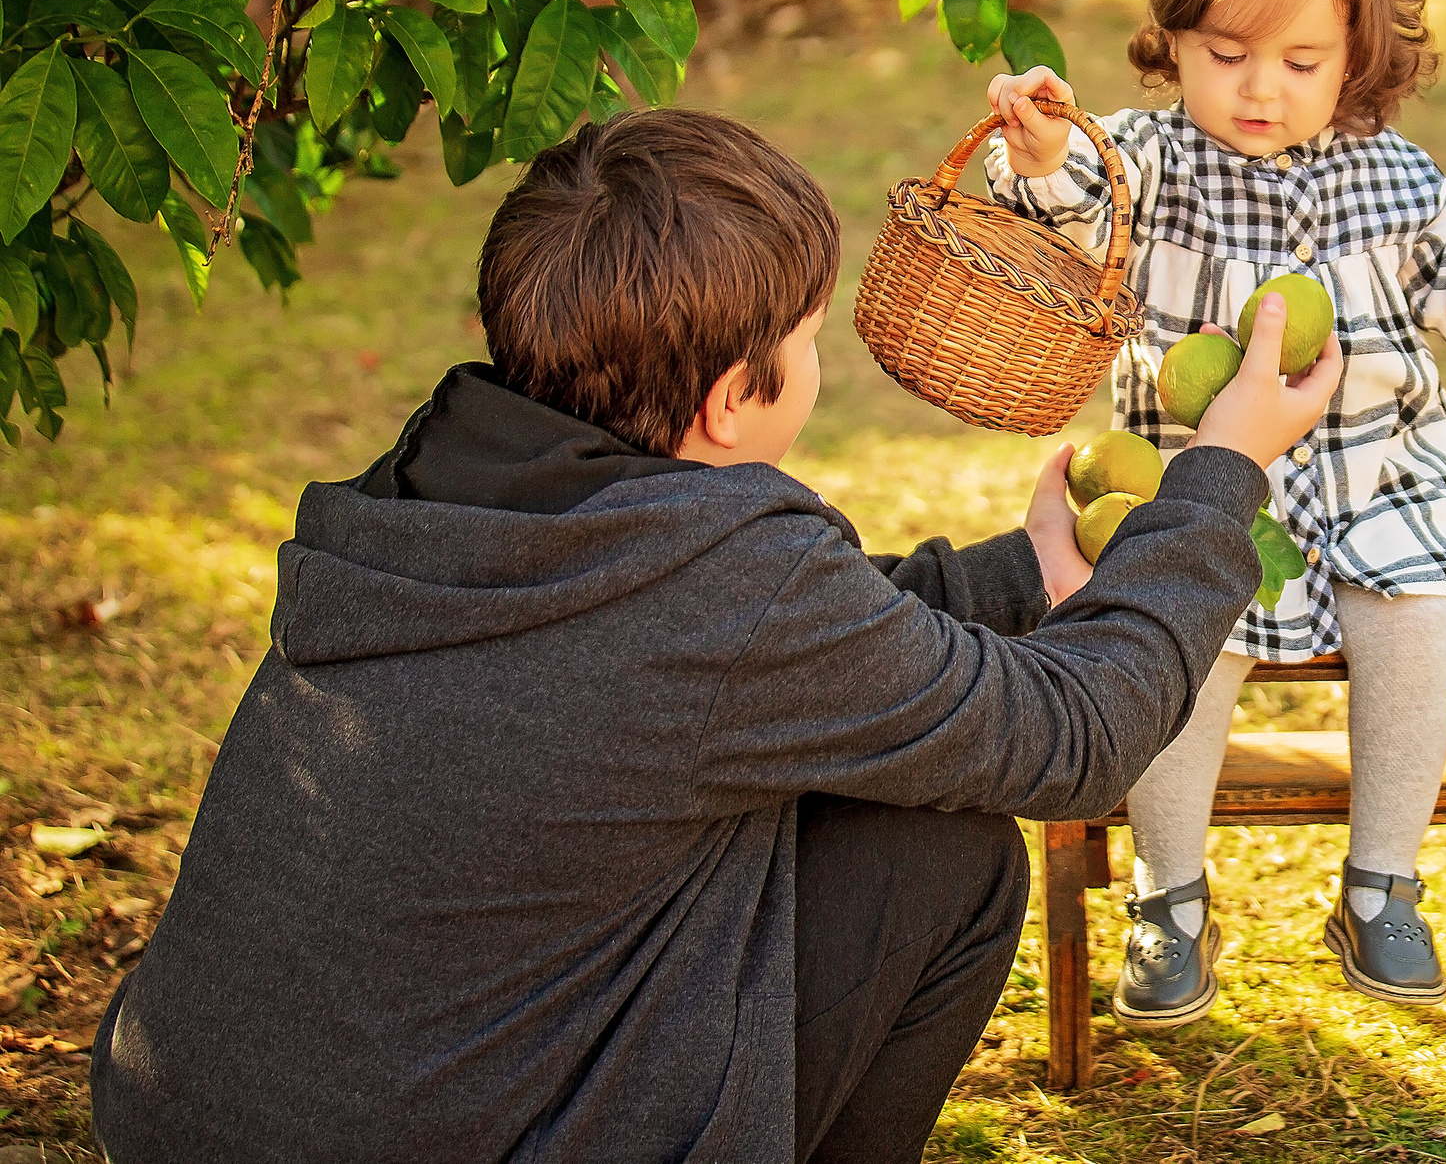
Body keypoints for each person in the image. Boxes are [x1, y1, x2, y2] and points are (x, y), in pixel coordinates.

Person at [87, 108, 1343, 1164]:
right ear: (729, 400)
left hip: (189, 1112)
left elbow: (772, 644)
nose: (816, 361)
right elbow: (1074, 741)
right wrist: (1219, 475)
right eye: (803, 341)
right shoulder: (729, 587)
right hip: (453, 1136)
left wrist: (1029, 577)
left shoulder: (437, 485)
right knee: (945, 862)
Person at [983, 0, 1446, 1029]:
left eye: (1301, 59)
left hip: (1376, 473)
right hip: (1193, 486)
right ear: (1174, 39)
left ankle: (1382, 882)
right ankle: (1170, 903)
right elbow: (1071, 204)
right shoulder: (1151, 163)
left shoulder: (1392, 176)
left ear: (1359, 57)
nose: (1258, 88)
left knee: (1410, 611)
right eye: (1225, 54)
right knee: (1180, 640)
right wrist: (1038, 154)